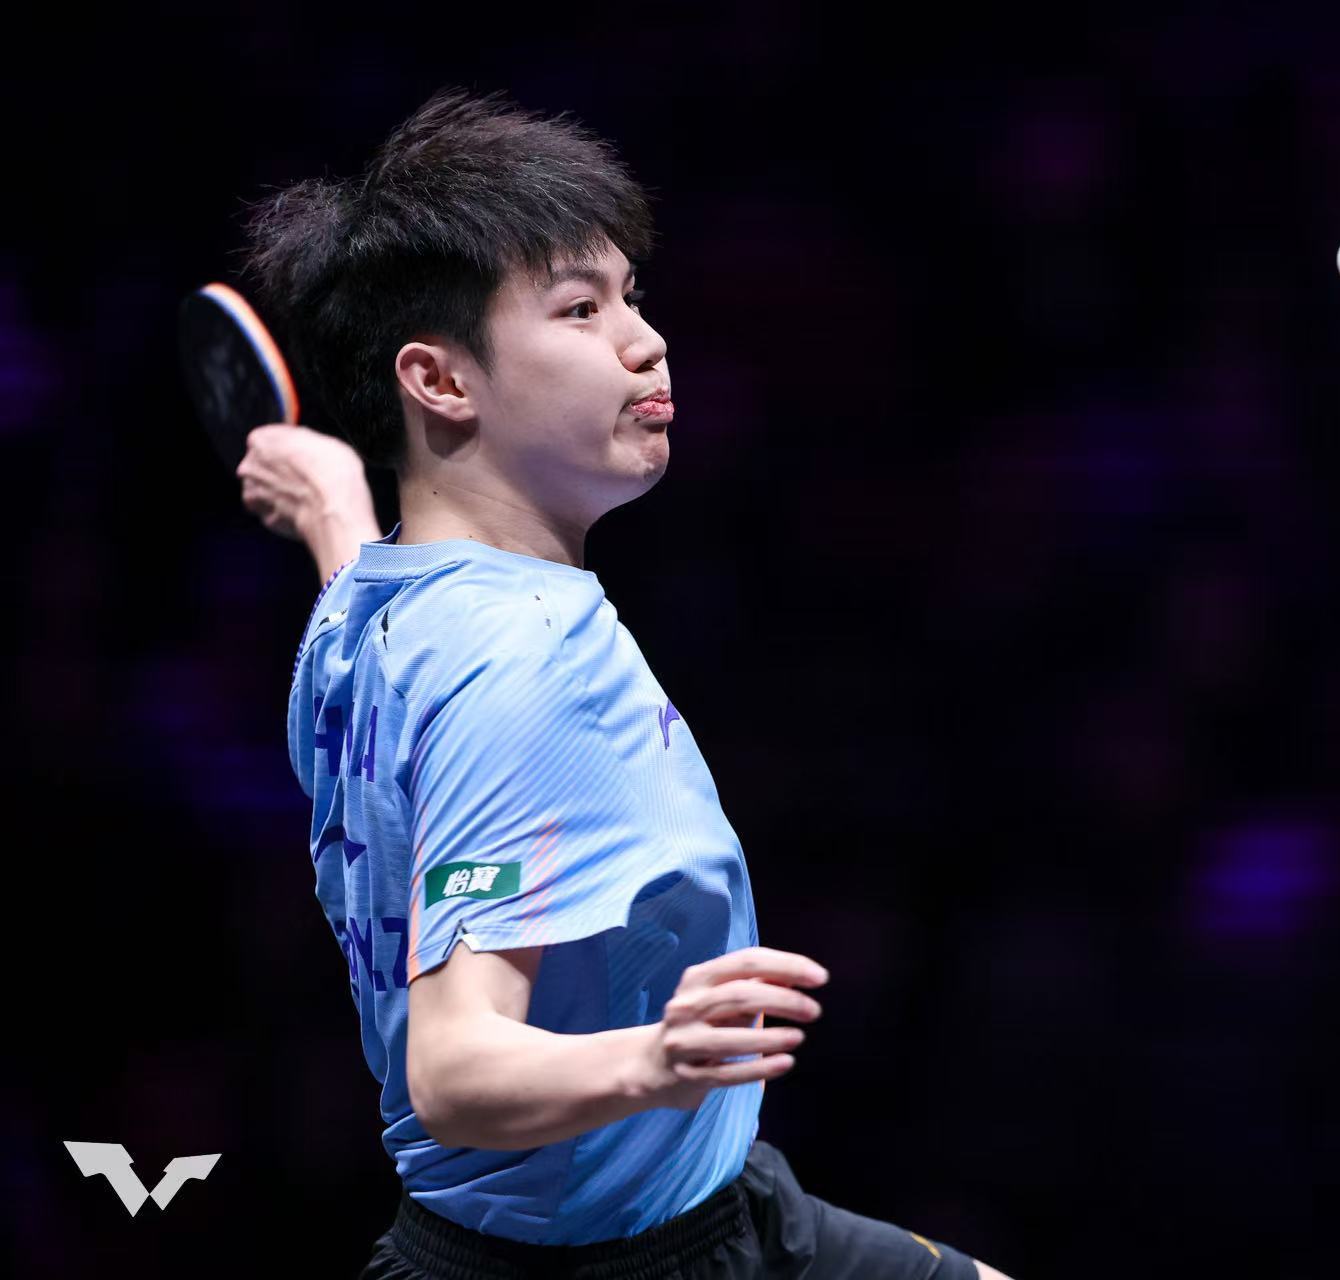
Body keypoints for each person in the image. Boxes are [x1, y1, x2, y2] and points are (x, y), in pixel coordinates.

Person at [236, 87, 1011, 1279]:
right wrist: (657, 1057)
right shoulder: (523, 665)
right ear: (440, 381)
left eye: (631, 296)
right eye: (578, 309)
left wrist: (332, 500)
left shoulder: (373, 609)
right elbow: (454, 1066)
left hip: (703, 1203)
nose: (643, 341)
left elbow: (366, 578)